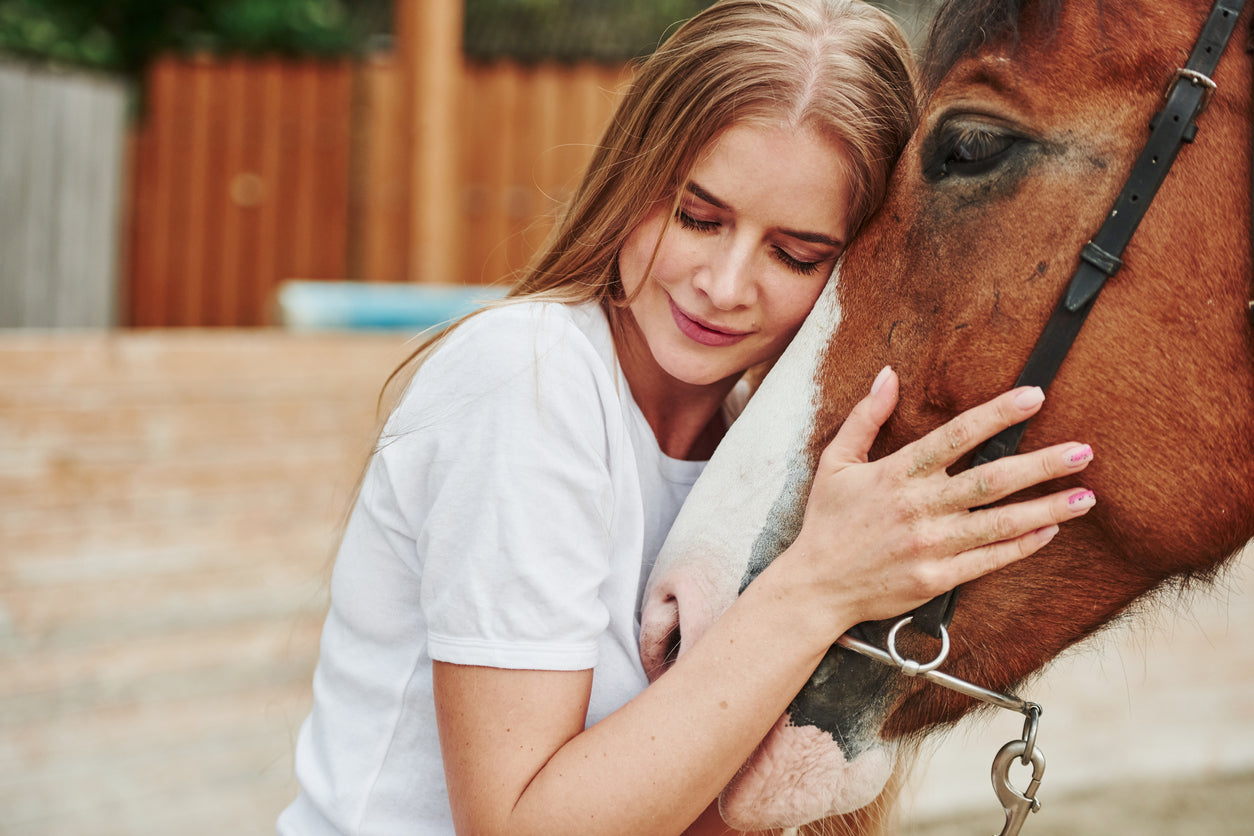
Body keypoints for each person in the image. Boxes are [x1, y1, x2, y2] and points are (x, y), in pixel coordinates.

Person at [277, 1, 1097, 834]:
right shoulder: (527, 377)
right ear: (634, 178)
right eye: (698, 217)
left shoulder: (759, 460)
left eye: (795, 254)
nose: (725, 283)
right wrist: (818, 586)